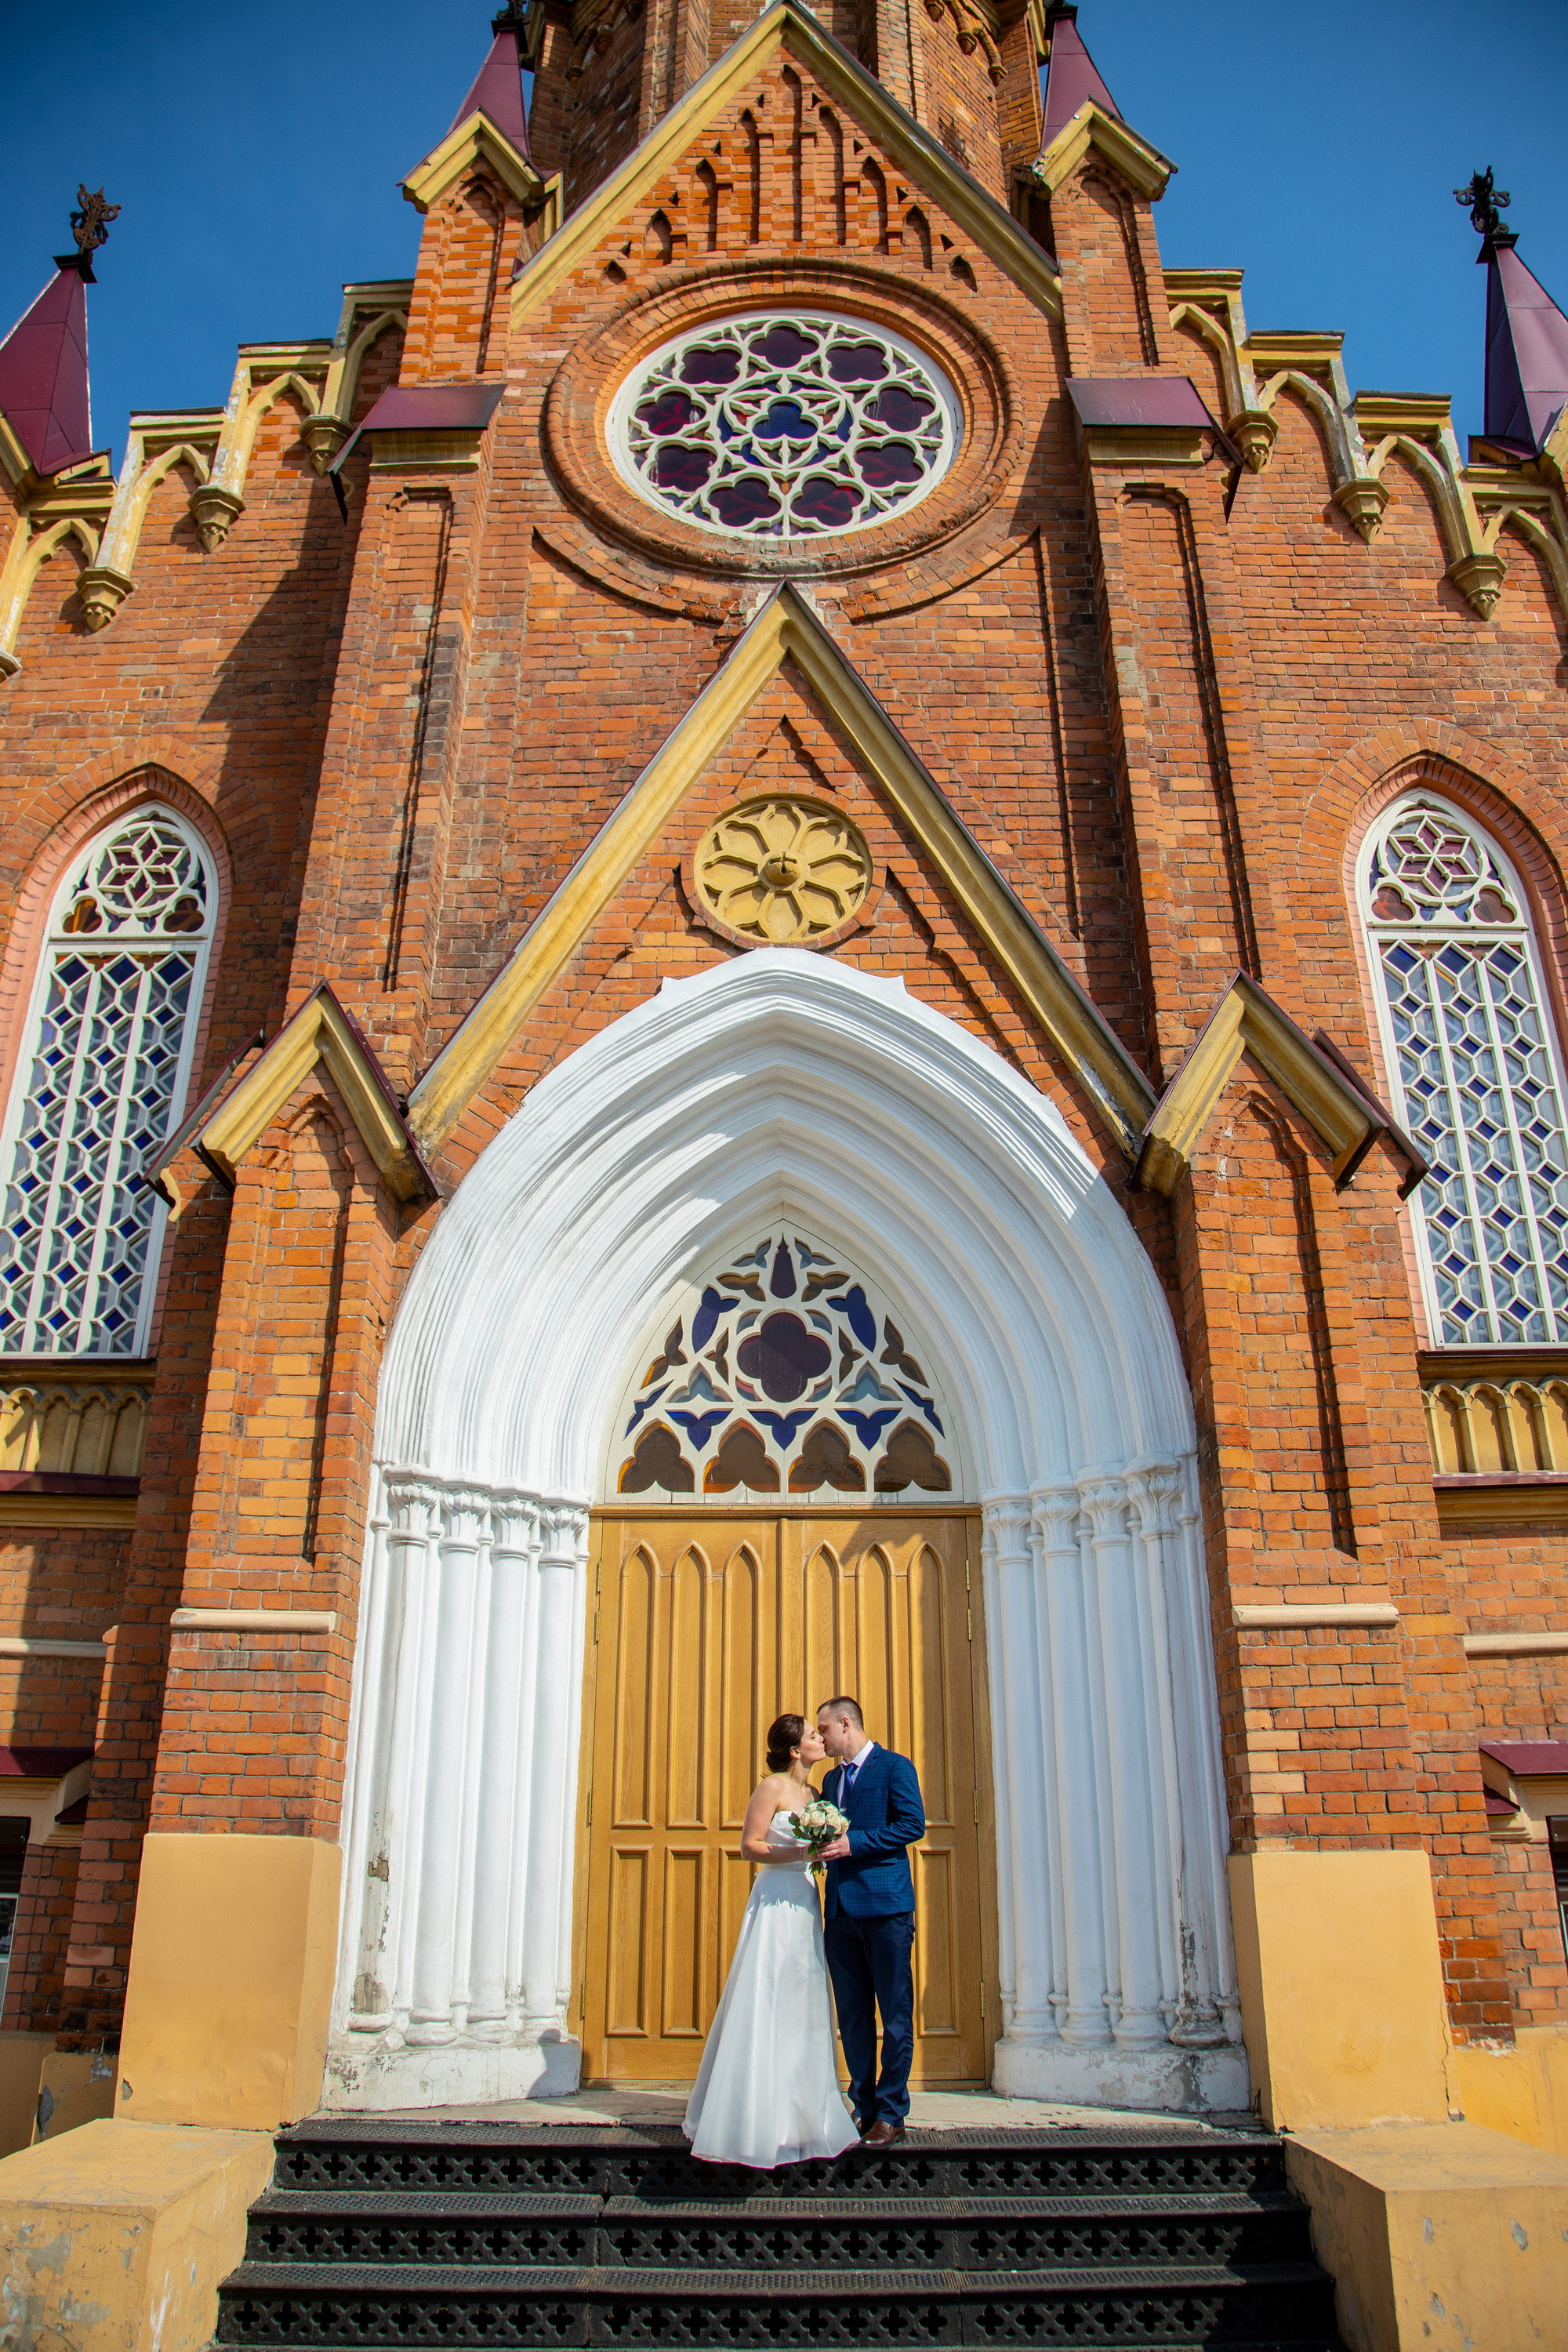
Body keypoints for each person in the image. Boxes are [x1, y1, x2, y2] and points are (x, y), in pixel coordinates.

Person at [683, 1711, 859, 2169]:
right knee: (768, 1997)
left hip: (805, 1901)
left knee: (802, 2004)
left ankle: (800, 2119)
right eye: (812, 1736)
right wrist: (800, 1852)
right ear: (795, 1750)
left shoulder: (815, 1794)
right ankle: (754, 2118)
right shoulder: (773, 1788)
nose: (821, 1739)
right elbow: (750, 1845)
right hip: (776, 1899)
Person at [815, 1694, 926, 2147]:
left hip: (886, 1909)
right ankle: (861, 2108)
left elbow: (912, 1825)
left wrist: (854, 1844)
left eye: (824, 1730)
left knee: (895, 2014)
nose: (820, 1738)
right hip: (840, 1911)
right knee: (854, 2015)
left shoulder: (895, 1767)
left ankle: (891, 2112)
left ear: (846, 1724)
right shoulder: (829, 1780)